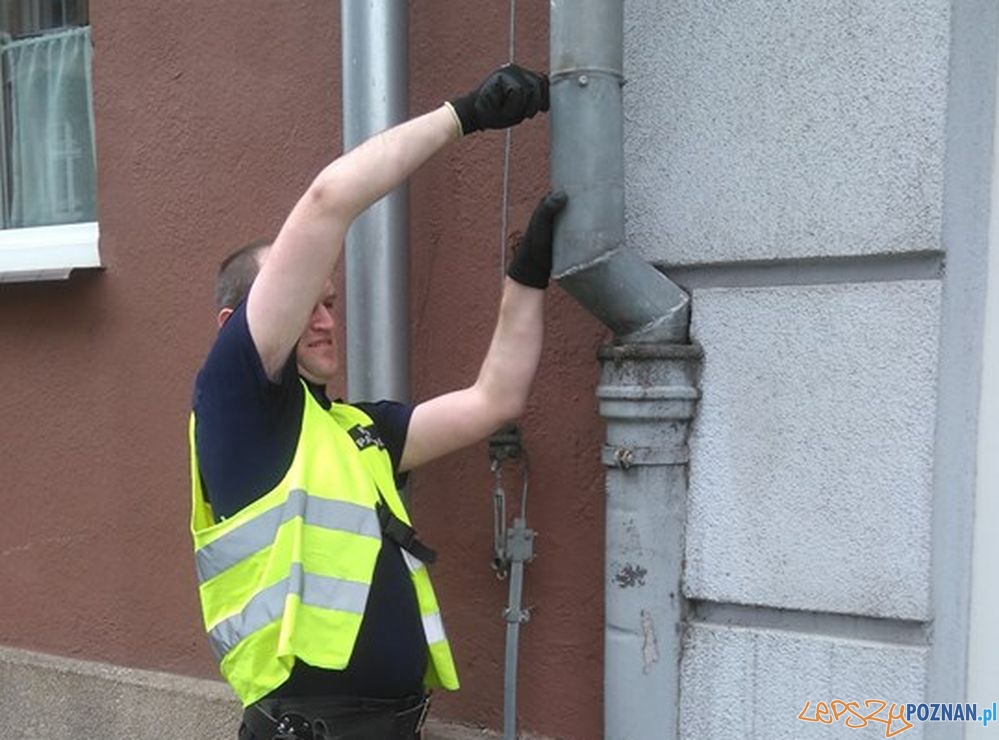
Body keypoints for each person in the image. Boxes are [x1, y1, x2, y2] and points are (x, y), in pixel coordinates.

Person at [188, 63, 568, 740]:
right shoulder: (235, 406)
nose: (324, 320)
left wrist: (527, 274)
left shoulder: (359, 431)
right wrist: (464, 114)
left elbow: (494, 399)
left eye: (329, 304)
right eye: (303, 305)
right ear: (232, 329)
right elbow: (328, 200)